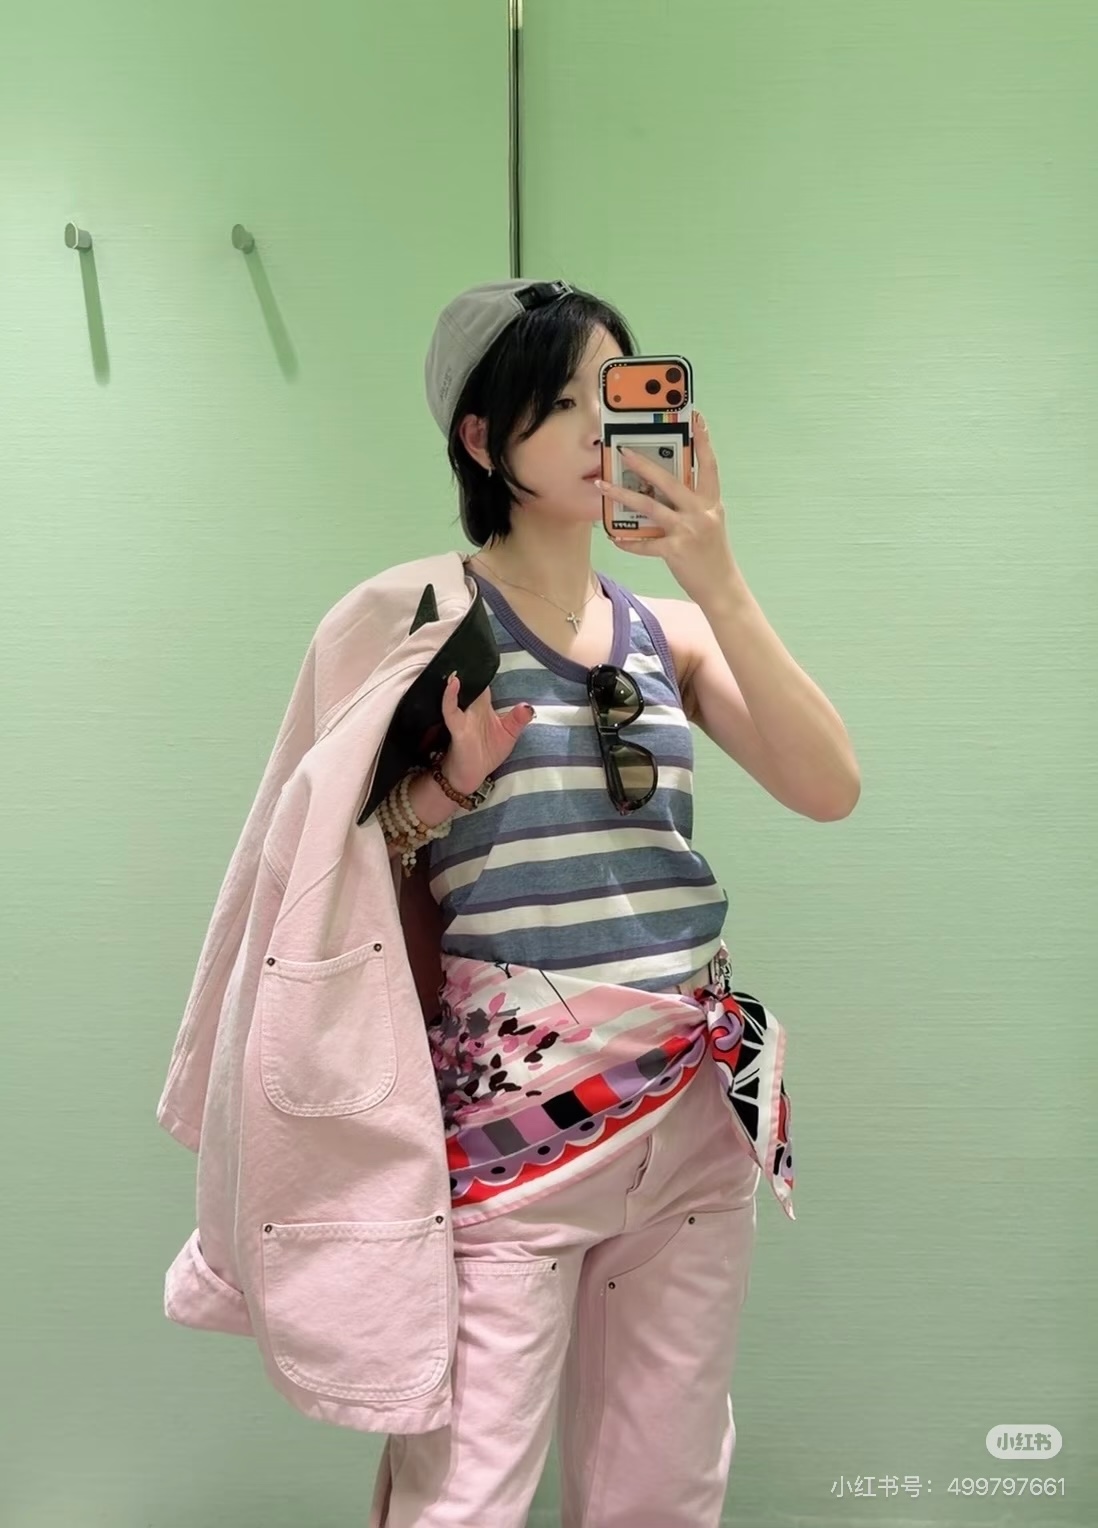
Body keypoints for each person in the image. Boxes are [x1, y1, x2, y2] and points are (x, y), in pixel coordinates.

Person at [369, 279, 827, 1528]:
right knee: (464, 1492)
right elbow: (345, 861)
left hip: (690, 1098)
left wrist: (715, 574)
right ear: (481, 437)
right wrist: (443, 789)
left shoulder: (668, 630)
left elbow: (828, 784)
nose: (597, 427)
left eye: (614, 395)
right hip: (515, 1112)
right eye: (560, 400)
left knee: (662, 1490)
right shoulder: (427, 621)